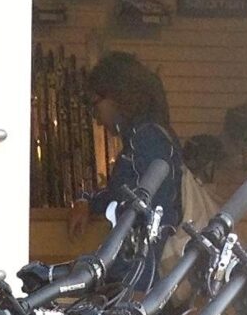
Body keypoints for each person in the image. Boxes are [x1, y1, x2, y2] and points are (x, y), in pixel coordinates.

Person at [77, 52, 182, 271]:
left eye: (94, 104)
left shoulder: (148, 138)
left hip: (141, 275)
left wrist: (135, 286)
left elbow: (154, 215)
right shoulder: (141, 136)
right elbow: (124, 196)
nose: (94, 116)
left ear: (117, 96)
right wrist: (87, 202)